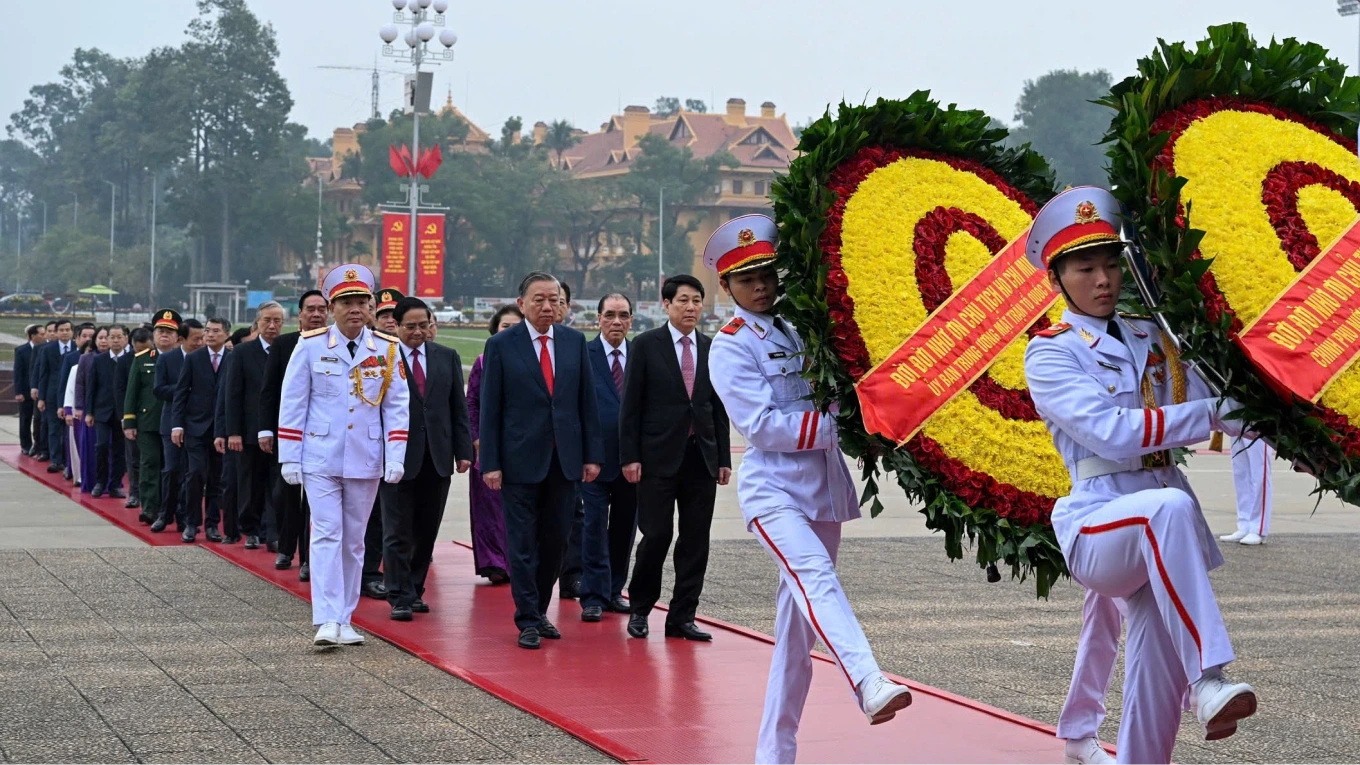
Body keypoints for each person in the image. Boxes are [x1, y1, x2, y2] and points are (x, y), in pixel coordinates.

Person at [1022, 187, 1256, 763]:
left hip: (1164, 529)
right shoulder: (1050, 353)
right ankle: (1210, 679)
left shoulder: (1154, 334)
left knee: (1154, 684)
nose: (1102, 279)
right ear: (1058, 278)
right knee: (1167, 511)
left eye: (1110, 264)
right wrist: (1208, 414)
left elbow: (1219, 395)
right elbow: (1113, 432)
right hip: (1100, 525)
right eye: (1085, 268)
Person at [706, 214, 912, 764]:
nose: (761, 286)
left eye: (767, 274)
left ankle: (775, 755)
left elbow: (840, 391)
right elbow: (765, 427)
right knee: (815, 578)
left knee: (797, 637)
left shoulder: (802, 327)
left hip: (821, 488)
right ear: (726, 287)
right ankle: (867, 680)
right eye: (747, 279)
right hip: (773, 491)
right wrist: (845, 427)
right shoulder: (729, 346)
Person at [277, 264, 409, 647]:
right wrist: (290, 455)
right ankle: (326, 619)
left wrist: (395, 455)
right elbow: (294, 402)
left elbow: (397, 406)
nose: (355, 309)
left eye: (361, 302)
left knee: (354, 541)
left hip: (365, 457)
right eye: (346, 302)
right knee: (326, 534)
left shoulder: (386, 348)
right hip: (320, 455)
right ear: (332, 307)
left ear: (370, 307)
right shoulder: (311, 345)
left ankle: (346, 617)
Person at [479, 271, 602, 650]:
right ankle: (527, 618)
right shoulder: (502, 345)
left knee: (556, 541)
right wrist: (491, 462)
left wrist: (591, 455)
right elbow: (491, 408)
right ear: (522, 304)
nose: (547, 306)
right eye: (539, 299)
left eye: (554, 299)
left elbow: (586, 403)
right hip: (518, 462)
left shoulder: (574, 342)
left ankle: (540, 608)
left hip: (564, 461)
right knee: (521, 543)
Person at [620, 275, 731, 640]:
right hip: (656, 458)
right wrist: (630, 456)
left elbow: (717, 407)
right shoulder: (646, 345)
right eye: (683, 300)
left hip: (700, 458)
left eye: (697, 301)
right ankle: (640, 609)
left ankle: (682, 616)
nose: (691, 308)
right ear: (666, 304)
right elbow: (631, 407)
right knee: (656, 535)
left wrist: (723, 457)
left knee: (696, 540)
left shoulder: (711, 347)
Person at [380, 297, 473, 621]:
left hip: (437, 458)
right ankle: (399, 595)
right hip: (396, 458)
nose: (418, 332)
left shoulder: (446, 357)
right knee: (397, 532)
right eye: (410, 326)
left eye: (423, 325)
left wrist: (463, 452)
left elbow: (456, 409)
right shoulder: (383, 359)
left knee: (426, 530)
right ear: (397, 326)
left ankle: (415, 590)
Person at [260, 290, 330, 580]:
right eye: (310, 309)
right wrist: (266, 429)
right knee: (286, 493)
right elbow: (270, 390)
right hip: (289, 433)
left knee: (315, 500)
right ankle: (286, 548)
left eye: (321, 309)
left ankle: (308, 558)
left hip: (323, 435)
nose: (316, 314)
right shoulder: (285, 344)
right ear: (299, 314)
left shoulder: (335, 344)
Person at [578, 294, 639, 620]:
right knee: (593, 526)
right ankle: (592, 595)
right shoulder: (583, 355)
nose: (617, 322)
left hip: (630, 461)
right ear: (598, 319)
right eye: (610, 315)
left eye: (623, 316)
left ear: (631, 320)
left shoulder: (640, 354)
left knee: (624, 528)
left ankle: (615, 590)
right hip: (594, 460)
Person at [465, 305, 519, 584]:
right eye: (504, 327)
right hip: (487, 446)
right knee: (488, 508)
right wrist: (476, 439)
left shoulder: (529, 361)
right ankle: (494, 563)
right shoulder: (483, 362)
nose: (509, 332)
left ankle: (516, 561)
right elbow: (471, 402)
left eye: (515, 327)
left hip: (520, 445)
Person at [225, 301, 285, 549]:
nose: (272, 326)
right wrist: (233, 432)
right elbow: (233, 394)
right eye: (267, 321)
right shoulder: (242, 353)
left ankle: (273, 533)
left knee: (277, 486)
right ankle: (249, 528)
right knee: (250, 483)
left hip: (281, 429)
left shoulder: (289, 349)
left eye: (277, 321)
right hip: (249, 430)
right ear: (257, 323)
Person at [362, 288, 405, 600]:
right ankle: (368, 573)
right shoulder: (365, 350)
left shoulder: (422, 347)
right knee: (374, 516)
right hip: (372, 446)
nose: (390, 320)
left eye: (395, 314)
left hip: (410, 447)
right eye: (384, 315)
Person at [172, 318, 231, 543]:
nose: (210, 334)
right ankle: (191, 522)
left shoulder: (233, 358)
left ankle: (213, 524)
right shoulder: (193, 358)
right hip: (195, 427)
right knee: (195, 474)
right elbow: (181, 393)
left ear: (226, 334)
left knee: (218, 479)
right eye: (207, 330)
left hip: (222, 429)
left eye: (216, 331)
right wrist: (177, 425)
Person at [125, 315, 179, 525]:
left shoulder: (183, 359)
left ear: (177, 337)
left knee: (172, 468)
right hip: (147, 422)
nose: (164, 335)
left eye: (169, 332)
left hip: (175, 421)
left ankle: (169, 509)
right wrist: (129, 422)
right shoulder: (142, 358)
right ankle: (149, 508)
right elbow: (132, 392)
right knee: (149, 464)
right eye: (159, 332)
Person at [153, 317, 201, 532]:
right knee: (171, 470)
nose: (199, 343)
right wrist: (185, 391)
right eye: (195, 339)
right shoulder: (167, 359)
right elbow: (159, 389)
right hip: (171, 421)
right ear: (181, 339)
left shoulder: (205, 359)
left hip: (198, 424)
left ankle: (186, 517)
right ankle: (165, 513)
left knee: (192, 474)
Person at [555, 279, 585, 600]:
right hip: (534, 451)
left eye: (561, 300)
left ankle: (572, 575)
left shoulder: (578, 345)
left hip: (570, 449)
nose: (555, 307)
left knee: (576, 516)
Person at [85, 325, 129, 498]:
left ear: (126, 339)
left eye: (119, 337)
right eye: (112, 337)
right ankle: (100, 482)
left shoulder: (131, 360)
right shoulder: (99, 360)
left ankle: (115, 484)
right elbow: (91, 387)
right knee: (101, 446)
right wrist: (89, 412)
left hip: (123, 413)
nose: (115, 340)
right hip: (102, 411)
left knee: (120, 449)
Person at [33, 319, 75, 475]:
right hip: (51, 395)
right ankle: (56, 460)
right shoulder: (48, 349)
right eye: (61, 330)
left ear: (72, 332)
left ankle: (68, 460)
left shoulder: (77, 349)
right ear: (56, 332)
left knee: (68, 429)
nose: (64, 332)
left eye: (67, 330)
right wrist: (41, 397)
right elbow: (43, 374)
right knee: (53, 429)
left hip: (70, 395)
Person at [1220, 436, 1273, 546]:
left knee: (1259, 472)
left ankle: (1258, 528)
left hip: (1259, 422)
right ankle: (1245, 525)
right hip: (1237, 421)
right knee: (1241, 472)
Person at [117, 327, 149, 509]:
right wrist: (126, 419)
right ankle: (134, 493)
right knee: (134, 458)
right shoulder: (125, 361)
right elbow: (121, 392)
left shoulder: (159, 359)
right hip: (134, 417)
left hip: (153, 418)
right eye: (139, 350)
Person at [68, 324, 99, 488]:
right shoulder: (76, 364)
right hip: (84, 409)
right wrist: (70, 409)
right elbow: (73, 388)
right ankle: (80, 475)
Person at [14, 324, 41, 457]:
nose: (44, 336)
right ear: (32, 336)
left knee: (38, 421)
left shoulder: (44, 349)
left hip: (39, 392)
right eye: (41, 334)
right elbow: (18, 373)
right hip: (25, 392)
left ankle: (37, 445)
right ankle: (25, 445)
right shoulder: (21, 350)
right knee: (25, 420)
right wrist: (18, 392)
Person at [26, 323, 50, 460]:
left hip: (54, 391)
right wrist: (34, 387)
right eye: (49, 331)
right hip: (41, 390)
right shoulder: (40, 349)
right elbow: (35, 370)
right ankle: (38, 445)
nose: (52, 334)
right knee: (38, 419)